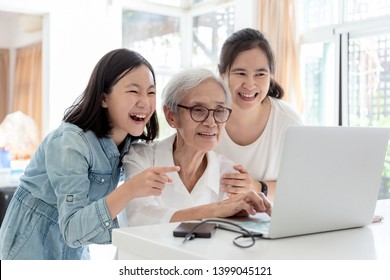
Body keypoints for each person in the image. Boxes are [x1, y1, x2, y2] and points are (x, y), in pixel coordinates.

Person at [0, 48, 179, 260]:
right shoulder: (70, 143)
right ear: (104, 98)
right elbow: (73, 230)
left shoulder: (130, 144)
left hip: (75, 251)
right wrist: (130, 189)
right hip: (30, 249)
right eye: (133, 91)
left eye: (151, 92)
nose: (145, 102)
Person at [123, 68, 272, 226]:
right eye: (198, 110)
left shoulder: (230, 175)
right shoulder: (140, 158)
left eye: (219, 111)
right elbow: (139, 218)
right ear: (171, 116)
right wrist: (213, 211)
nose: (211, 122)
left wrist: (259, 216)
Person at [215, 28, 303, 201]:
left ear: (270, 75)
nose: (250, 84)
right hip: (212, 220)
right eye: (240, 73)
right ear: (222, 73)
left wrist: (257, 187)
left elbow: (301, 186)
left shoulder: (288, 122)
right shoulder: (205, 117)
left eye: (260, 74)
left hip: (268, 222)